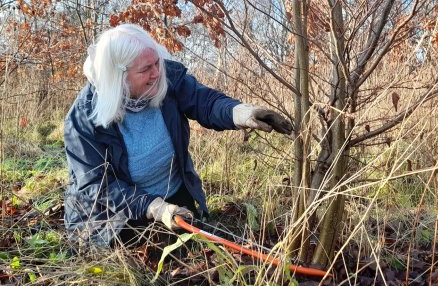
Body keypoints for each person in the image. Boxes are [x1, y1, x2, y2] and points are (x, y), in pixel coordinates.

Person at [64, 24, 292, 246]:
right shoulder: (82, 119)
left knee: (196, 248)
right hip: (113, 218)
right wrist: (152, 207)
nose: (157, 74)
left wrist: (239, 113)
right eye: (145, 69)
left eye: (157, 63)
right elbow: (96, 185)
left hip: (172, 199)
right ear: (118, 76)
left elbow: (205, 102)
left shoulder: (168, 78)